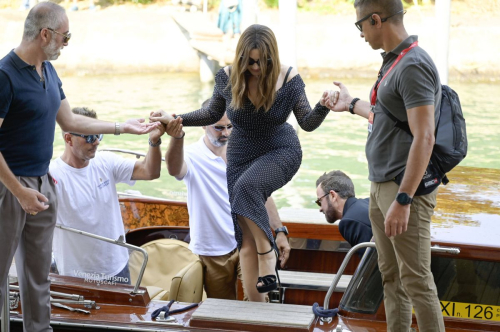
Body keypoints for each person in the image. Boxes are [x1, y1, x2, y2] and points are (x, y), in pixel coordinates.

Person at [151, 24, 337, 302]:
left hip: (280, 148)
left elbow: (307, 122)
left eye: (262, 61)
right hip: (240, 153)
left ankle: (268, 254)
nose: (256, 67)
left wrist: (324, 105)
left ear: (271, 57)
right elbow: (211, 112)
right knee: (244, 237)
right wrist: (174, 118)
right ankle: (257, 313)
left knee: (248, 188)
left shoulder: (288, 77)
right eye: (250, 61)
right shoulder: (227, 77)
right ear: (241, 58)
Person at [0, 3, 157, 330]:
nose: (67, 42)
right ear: (45, 34)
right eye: (65, 36)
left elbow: (69, 120)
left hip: (43, 183)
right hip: (10, 186)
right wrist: (19, 192)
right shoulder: (4, 75)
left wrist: (121, 127)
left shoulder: (48, 71)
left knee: (38, 275)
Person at [328, 0, 444, 330]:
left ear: (376, 19)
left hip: (402, 190)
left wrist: (404, 199)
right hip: (380, 186)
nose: (361, 33)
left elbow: (425, 137)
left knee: (417, 282)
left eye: (361, 25)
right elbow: (385, 116)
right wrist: (350, 104)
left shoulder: (413, 65)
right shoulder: (394, 62)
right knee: (390, 277)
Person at [165, 101, 290, 301]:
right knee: (224, 309)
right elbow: (174, 169)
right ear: (203, 124)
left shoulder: (245, 151)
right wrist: (177, 137)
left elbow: (262, 195)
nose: (226, 133)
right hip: (212, 250)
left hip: (248, 241)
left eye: (230, 127)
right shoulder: (190, 155)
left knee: (260, 303)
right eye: (219, 127)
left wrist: (280, 230)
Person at [49, 107, 164, 285]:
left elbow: (150, 172)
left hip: (118, 269)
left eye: (99, 135)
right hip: (75, 275)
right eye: (89, 137)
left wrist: (154, 142)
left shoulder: (105, 161)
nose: (96, 142)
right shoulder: (53, 175)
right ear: (68, 139)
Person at [315, 170, 372, 255]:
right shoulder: (368, 202)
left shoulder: (349, 222)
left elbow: (371, 265)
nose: (320, 209)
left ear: (333, 196)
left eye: (320, 201)